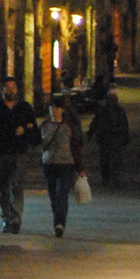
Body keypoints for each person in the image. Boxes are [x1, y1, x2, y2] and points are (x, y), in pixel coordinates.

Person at [0, 76, 40, 233]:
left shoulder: (25, 108)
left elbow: (35, 132)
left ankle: (15, 219)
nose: (11, 90)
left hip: (18, 153)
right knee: (2, 189)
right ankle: (7, 217)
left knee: (16, 185)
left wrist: (25, 131)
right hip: (0, 153)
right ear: (2, 90)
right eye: (8, 87)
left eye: (13, 87)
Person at [40, 95, 85, 237]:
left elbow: (75, 147)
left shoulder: (68, 126)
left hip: (66, 164)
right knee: (53, 196)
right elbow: (40, 144)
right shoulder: (45, 125)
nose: (54, 110)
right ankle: (57, 221)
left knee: (62, 195)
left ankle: (60, 224)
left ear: (62, 110)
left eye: (56, 107)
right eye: (51, 107)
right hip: (49, 164)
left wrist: (80, 167)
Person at [86, 89, 130, 188]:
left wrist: (125, 137)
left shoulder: (119, 111)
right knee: (106, 160)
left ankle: (114, 178)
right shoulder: (103, 111)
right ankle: (108, 179)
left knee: (115, 160)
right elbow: (95, 123)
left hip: (114, 138)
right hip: (106, 138)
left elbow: (124, 125)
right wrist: (91, 133)